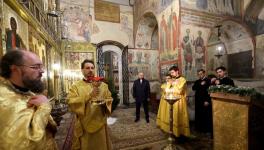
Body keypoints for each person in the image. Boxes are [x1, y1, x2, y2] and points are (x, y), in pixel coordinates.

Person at [0, 50, 57, 149]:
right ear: (15, 69)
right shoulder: (4, 99)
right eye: (35, 67)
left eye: (41, 67)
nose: (42, 71)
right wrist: (44, 108)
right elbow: (25, 144)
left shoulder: (27, 92)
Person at [67, 59, 113, 150]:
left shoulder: (103, 85)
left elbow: (109, 99)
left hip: (100, 121)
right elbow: (71, 102)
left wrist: (105, 103)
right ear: (82, 70)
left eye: (92, 68)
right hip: (85, 123)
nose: (90, 70)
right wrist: (89, 96)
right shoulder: (75, 86)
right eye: (87, 68)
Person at [168, 66, 190, 137]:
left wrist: (174, 83)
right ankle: (174, 131)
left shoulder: (182, 79)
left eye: (172, 72)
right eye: (170, 73)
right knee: (173, 115)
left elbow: (179, 90)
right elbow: (168, 89)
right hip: (172, 100)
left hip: (180, 100)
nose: (171, 74)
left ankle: (181, 132)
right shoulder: (171, 79)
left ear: (177, 71)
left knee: (180, 115)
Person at [192, 69, 212, 134]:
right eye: (199, 74)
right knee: (199, 114)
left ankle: (206, 129)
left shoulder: (208, 80)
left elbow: (210, 91)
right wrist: (200, 84)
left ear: (204, 73)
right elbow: (193, 88)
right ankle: (199, 128)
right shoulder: (197, 81)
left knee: (206, 115)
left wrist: (207, 100)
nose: (200, 75)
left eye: (201, 74)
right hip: (198, 101)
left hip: (205, 100)